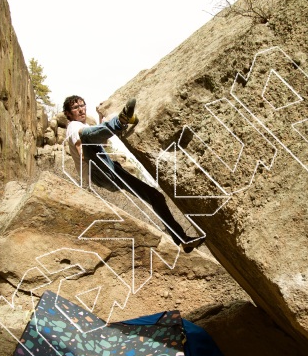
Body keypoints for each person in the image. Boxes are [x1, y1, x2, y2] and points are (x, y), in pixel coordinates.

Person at [63, 95, 203, 253]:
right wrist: (83, 152)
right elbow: (82, 144)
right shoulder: (73, 126)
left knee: (155, 196)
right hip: (97, 173)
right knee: (87, 135)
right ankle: (120, 121)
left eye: (82, 105)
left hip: (111, 171)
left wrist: (101, 116)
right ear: (68, 114)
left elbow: (102, 142)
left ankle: (182, 239)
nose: (81, 109)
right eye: (75, 108)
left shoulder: (87, 126)